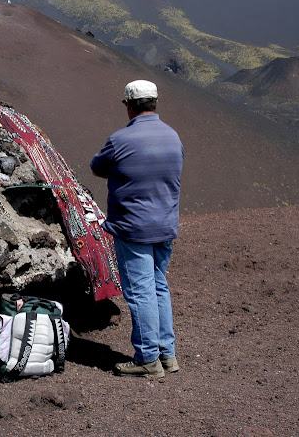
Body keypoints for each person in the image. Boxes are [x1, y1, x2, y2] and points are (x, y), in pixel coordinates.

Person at [90, 79, 184, 378]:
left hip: (134, 228)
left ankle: (147, 359)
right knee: (158, 287)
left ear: (128, 106)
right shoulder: (173, 137)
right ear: (155, 103)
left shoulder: (121, 140)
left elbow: (98, 166)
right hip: (165, 226)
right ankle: (167, 355)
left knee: (140, 292)